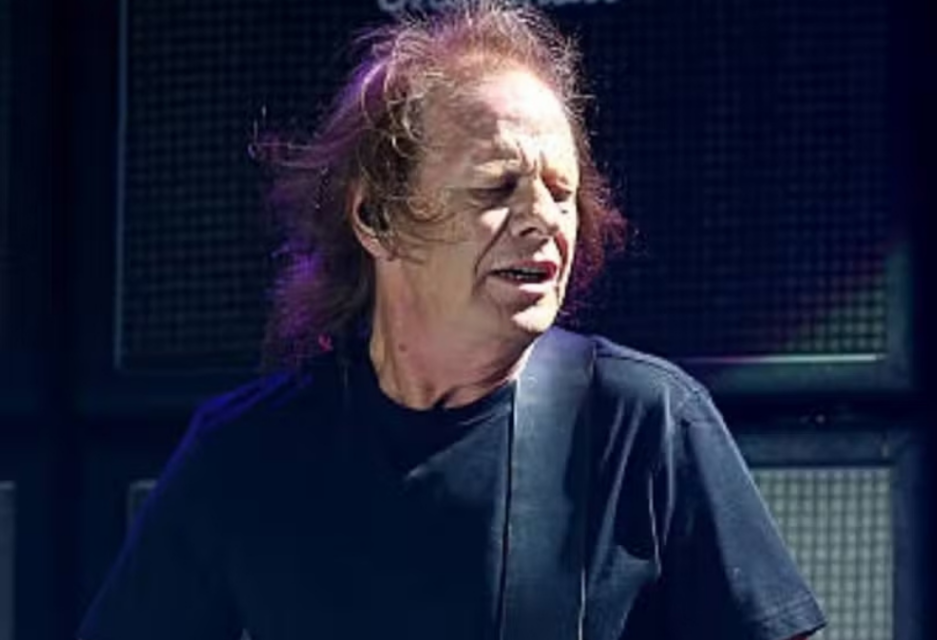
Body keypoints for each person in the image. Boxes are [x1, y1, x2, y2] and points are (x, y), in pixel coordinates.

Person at [78, 2, 827, 639]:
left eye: (561, 191)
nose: (545, 220)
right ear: (376, 217)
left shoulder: (642, 423)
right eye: (496, 188)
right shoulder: (243, 454)